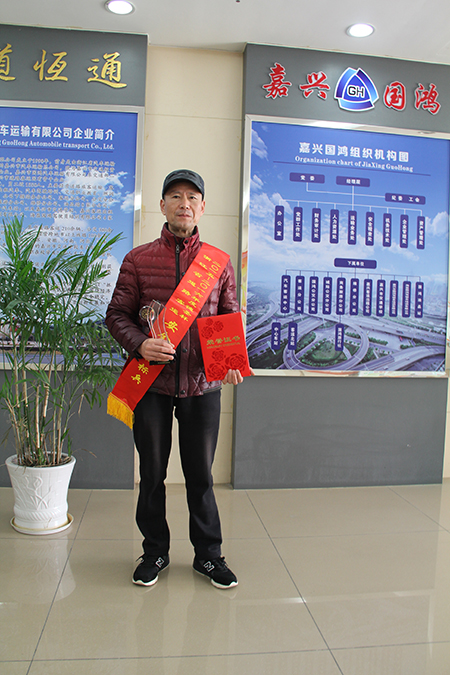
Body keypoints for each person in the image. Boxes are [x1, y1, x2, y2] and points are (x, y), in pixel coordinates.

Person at [106, 169, 244, 589]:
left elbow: (228, 316)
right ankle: (155, 551)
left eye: (192, 197)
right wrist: (140, 344)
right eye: (176, 196)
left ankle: (209, 556)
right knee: (152, 474)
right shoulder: (138, 259)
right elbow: (117, 315)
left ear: (202, 208)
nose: (184, 204)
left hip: (202, 386)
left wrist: (231, 360)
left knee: (200, 475)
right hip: (151, 384)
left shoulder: (218, 263)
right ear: (162, 206)